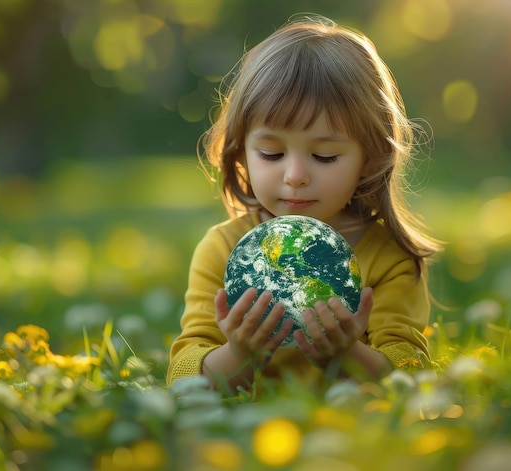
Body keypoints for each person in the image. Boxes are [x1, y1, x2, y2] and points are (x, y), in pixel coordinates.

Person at [166, 14, 442, 393]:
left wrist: (346, 354)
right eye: (271, 153)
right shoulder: (223, 250)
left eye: (325, 156)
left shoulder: (389, 258)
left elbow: (409, 373)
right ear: (241, 152)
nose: (295, 175)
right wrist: (240, 352)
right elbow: (183, 373)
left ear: (371, 158)